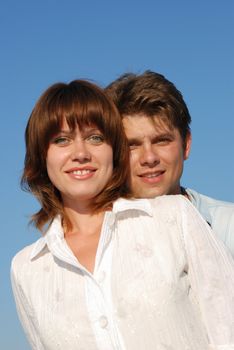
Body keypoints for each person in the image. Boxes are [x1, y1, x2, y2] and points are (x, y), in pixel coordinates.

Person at [11, 79, 234, 350]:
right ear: (40, 156)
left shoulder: (175, 217)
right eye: (61, 140)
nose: (80, 153)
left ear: (112, 150)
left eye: (95, 138)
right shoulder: (27, 268)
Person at [105, 70, 234, 256]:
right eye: (131, 145)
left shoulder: (228, 227)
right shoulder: (96, 241)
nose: (149, 158)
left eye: (162, 141)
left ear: (186, 144)